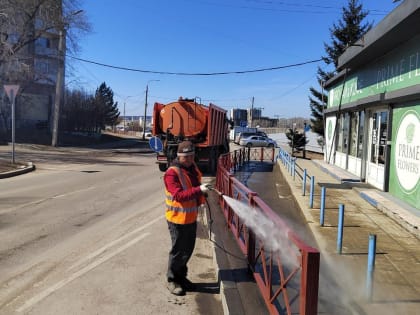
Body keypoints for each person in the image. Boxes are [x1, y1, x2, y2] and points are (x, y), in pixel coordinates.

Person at [163, 140, 211, 296]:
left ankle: (182, 278)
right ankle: (172, 280)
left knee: (187, 251)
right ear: (179, 156)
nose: (190, 159)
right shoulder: (172, 173)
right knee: (178, 251)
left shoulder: (192, 168)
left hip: (190, 217)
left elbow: (194, 187)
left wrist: (202, 192)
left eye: (192, 156)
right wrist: (199, 190)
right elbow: (178, 195)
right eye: (186, 157)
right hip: (177, 220)